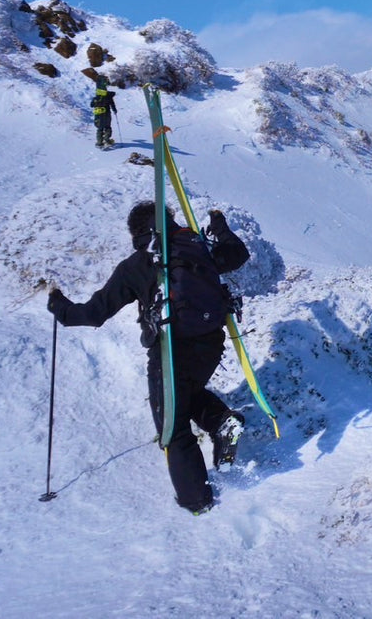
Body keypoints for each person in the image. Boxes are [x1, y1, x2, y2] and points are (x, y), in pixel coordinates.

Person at [48, 202, 249, 514]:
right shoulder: (197, 248)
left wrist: (58, 305)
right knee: (185, 394)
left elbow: (93, 314)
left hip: (170, 351)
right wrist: (220, 226)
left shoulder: (139, 264)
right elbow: (237, 254)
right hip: (211, 343)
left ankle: (198, 502)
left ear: (136, 232)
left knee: (173, 426)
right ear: (169, 221)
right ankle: (220, 421)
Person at [90, 78, 117, 148]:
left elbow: (91, 105)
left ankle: (99, 143)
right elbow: (112, 104)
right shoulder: (108, 96)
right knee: (107, 127)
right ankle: (107, 140)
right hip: (107, 114)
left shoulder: (96, 97)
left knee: (100, 128)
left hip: (98, 115)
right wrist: (115, 111)